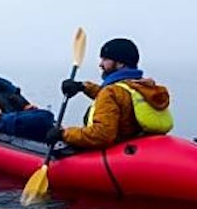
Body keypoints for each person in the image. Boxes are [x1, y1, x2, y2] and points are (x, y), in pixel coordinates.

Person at [44, 38, 173, 149]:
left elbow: (101, 135)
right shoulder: (141, 86)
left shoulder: (112, 92)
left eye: (105, 59)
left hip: (112, 156)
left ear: (120, 63)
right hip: (134, 149)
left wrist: (63, 133)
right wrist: (82, 86)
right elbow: (118, 99)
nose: (100, 64)